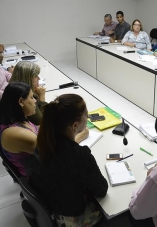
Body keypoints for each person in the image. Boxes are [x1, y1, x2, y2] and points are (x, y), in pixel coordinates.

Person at [28, 94, 108, 227]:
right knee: (114, 213)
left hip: (53, 206)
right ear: (75, 125)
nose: (88, 118)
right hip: (73, 217)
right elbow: (101, 189)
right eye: (86, 115)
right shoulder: (80, 156)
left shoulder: (44, 142)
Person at [0, 82, 38, 177]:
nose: (35, 101)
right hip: (38, 177)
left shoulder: (16, 119)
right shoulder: (16, 133)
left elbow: (35, 130)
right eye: (31, 97)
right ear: (21, 101)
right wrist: (81, 133)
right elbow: (55, 155)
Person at [10, 61, 46, 125]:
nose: (39, 78)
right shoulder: (24, 96)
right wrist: (42, 96)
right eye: (35, 76)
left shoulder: (13, 88)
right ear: (28, 78)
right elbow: (41, 121)